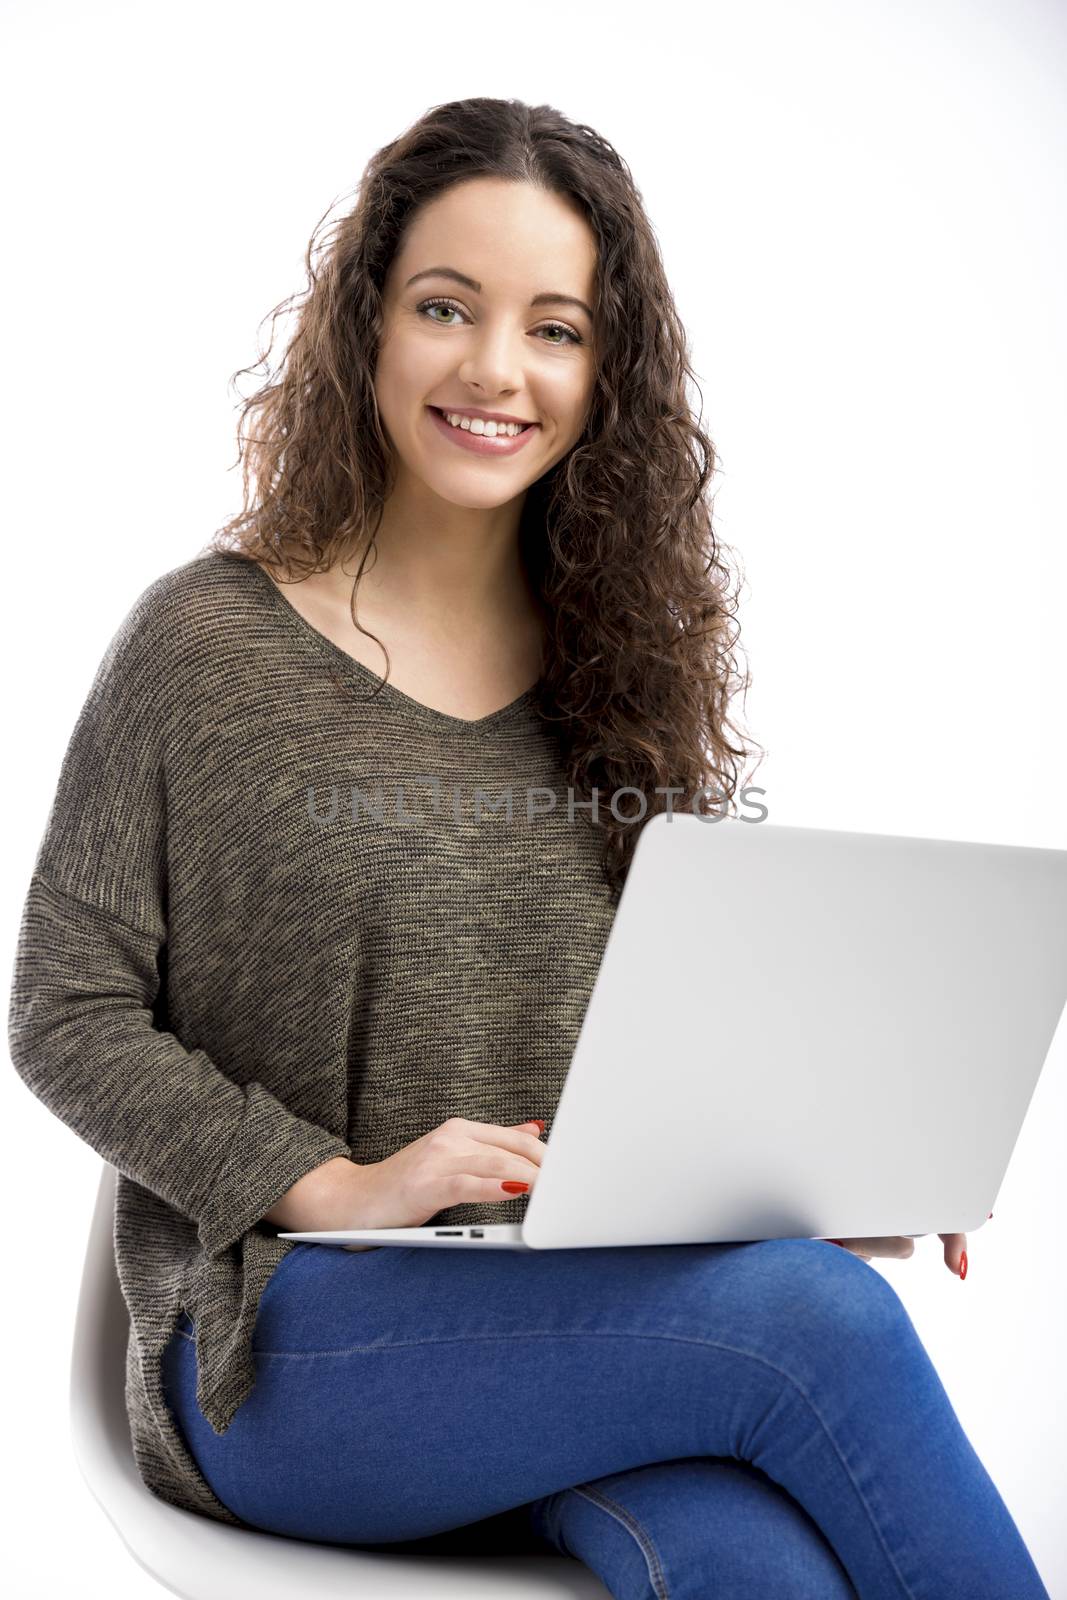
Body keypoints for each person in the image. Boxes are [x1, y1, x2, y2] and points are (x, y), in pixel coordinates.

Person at [9, 96, 1049, 1599]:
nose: (498, 370)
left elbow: (637, 1065)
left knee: (759, 1568)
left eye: (555, 328)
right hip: (291, 1352)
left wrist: (819, 1170)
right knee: (819, 1324)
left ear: (605, 373)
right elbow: (63, 1010)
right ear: (367, 323)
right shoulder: (206, 647)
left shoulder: (619, 675)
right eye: (448, 308)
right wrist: (326, 1180)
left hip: (567, 1333)